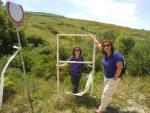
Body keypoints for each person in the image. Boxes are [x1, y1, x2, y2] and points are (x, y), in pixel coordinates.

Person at [88, 35, 124, 113]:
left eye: (108, 45)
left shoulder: (116, 55)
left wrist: (114, 78)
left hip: (114, 78)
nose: (106, 47)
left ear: (111, 46)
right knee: (106, 92)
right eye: (104, 45)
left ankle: (102, 109)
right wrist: (93, 39)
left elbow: (119, 68)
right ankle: (104, 104)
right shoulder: (105, 53)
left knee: (105, 93)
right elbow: (98, 45)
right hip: (107, 76)